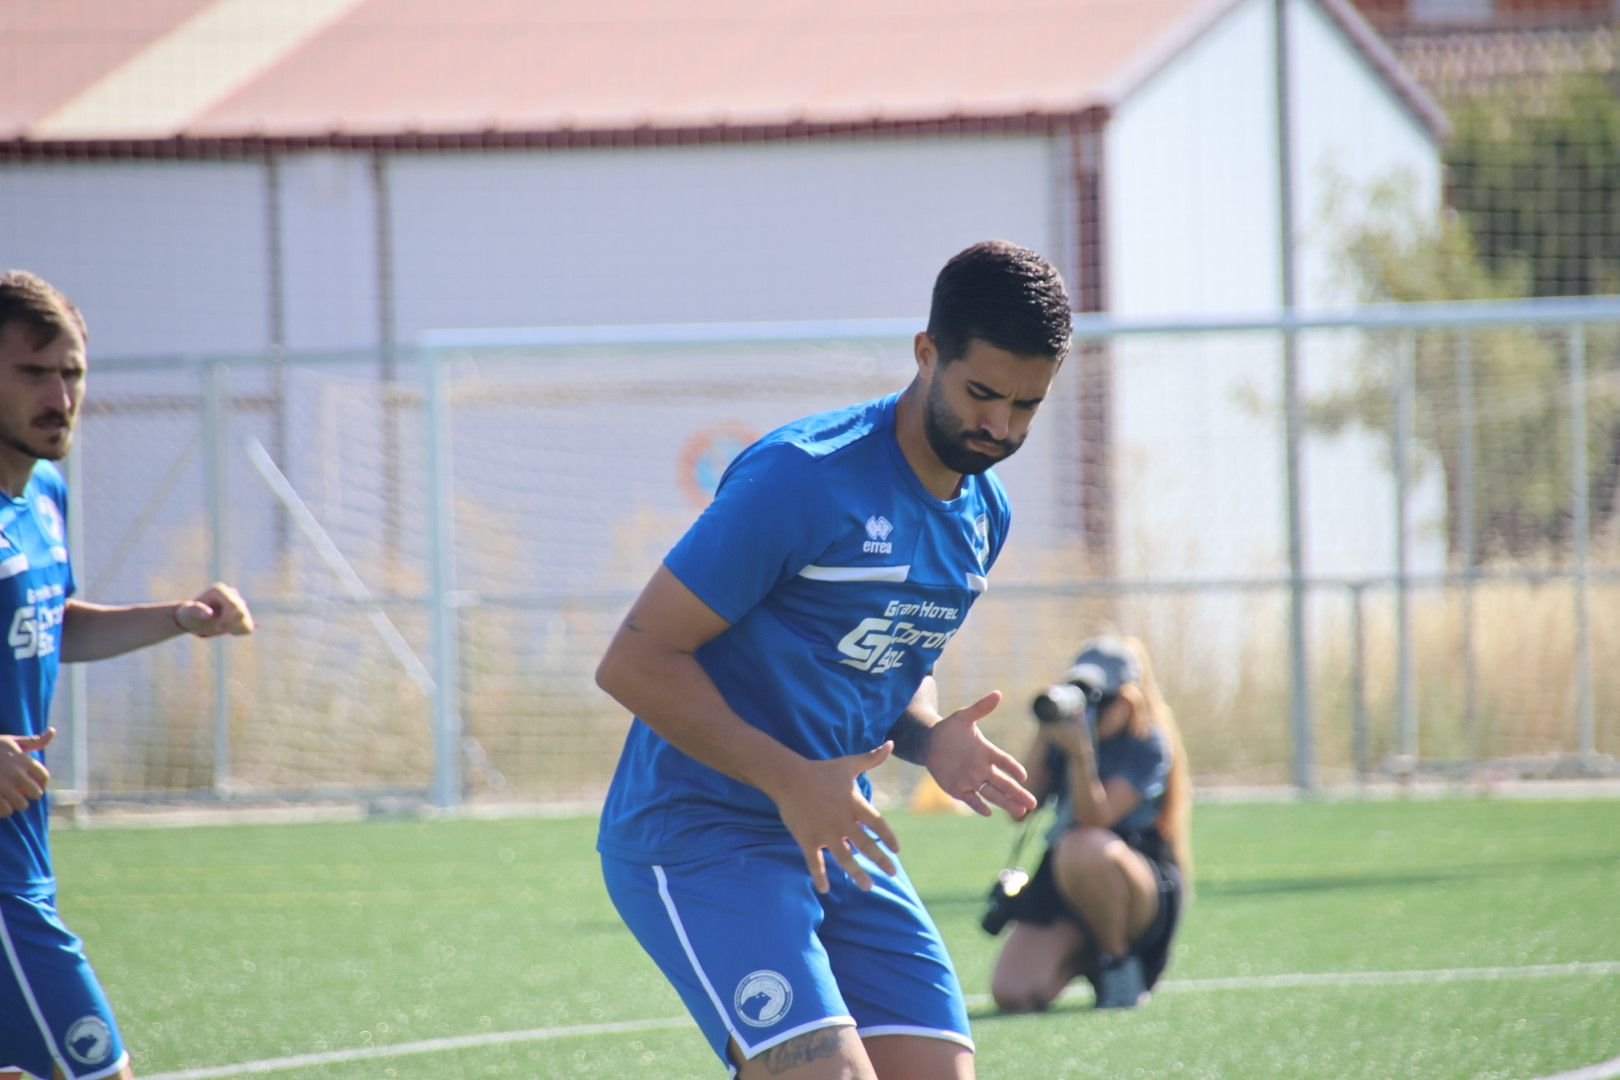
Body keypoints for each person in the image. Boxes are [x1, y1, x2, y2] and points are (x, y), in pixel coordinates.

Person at [594, 240, 1072, 1079]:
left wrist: (931, 737)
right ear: (927, 354)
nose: (1000, 428)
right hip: (700, 832)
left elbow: (882, 663)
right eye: (982, 394)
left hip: (834, 833)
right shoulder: (805, 477)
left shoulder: (982, 515)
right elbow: (634, 661)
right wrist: (788, 779)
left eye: (1026, 406)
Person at [0, 271, 255, 1080]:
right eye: (33, 372)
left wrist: (177, 618)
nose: (60, 394)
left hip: (24, 855)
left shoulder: (43, 495)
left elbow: (49, 629)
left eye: (71, 372)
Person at [987, 634, 1193, 1012]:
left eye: (1104, 699)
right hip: (1068, 874)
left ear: (1129, 699)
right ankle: (1088, 954)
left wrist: (1081, 756)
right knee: (1013, 992)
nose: (1094, 712)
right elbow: (1017, 811)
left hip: (1133, 880)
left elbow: (1093, 819)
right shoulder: (1065, 736)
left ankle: (1116, 960)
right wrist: (1045, 731)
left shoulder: (1147, 742)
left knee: (1082, 845)